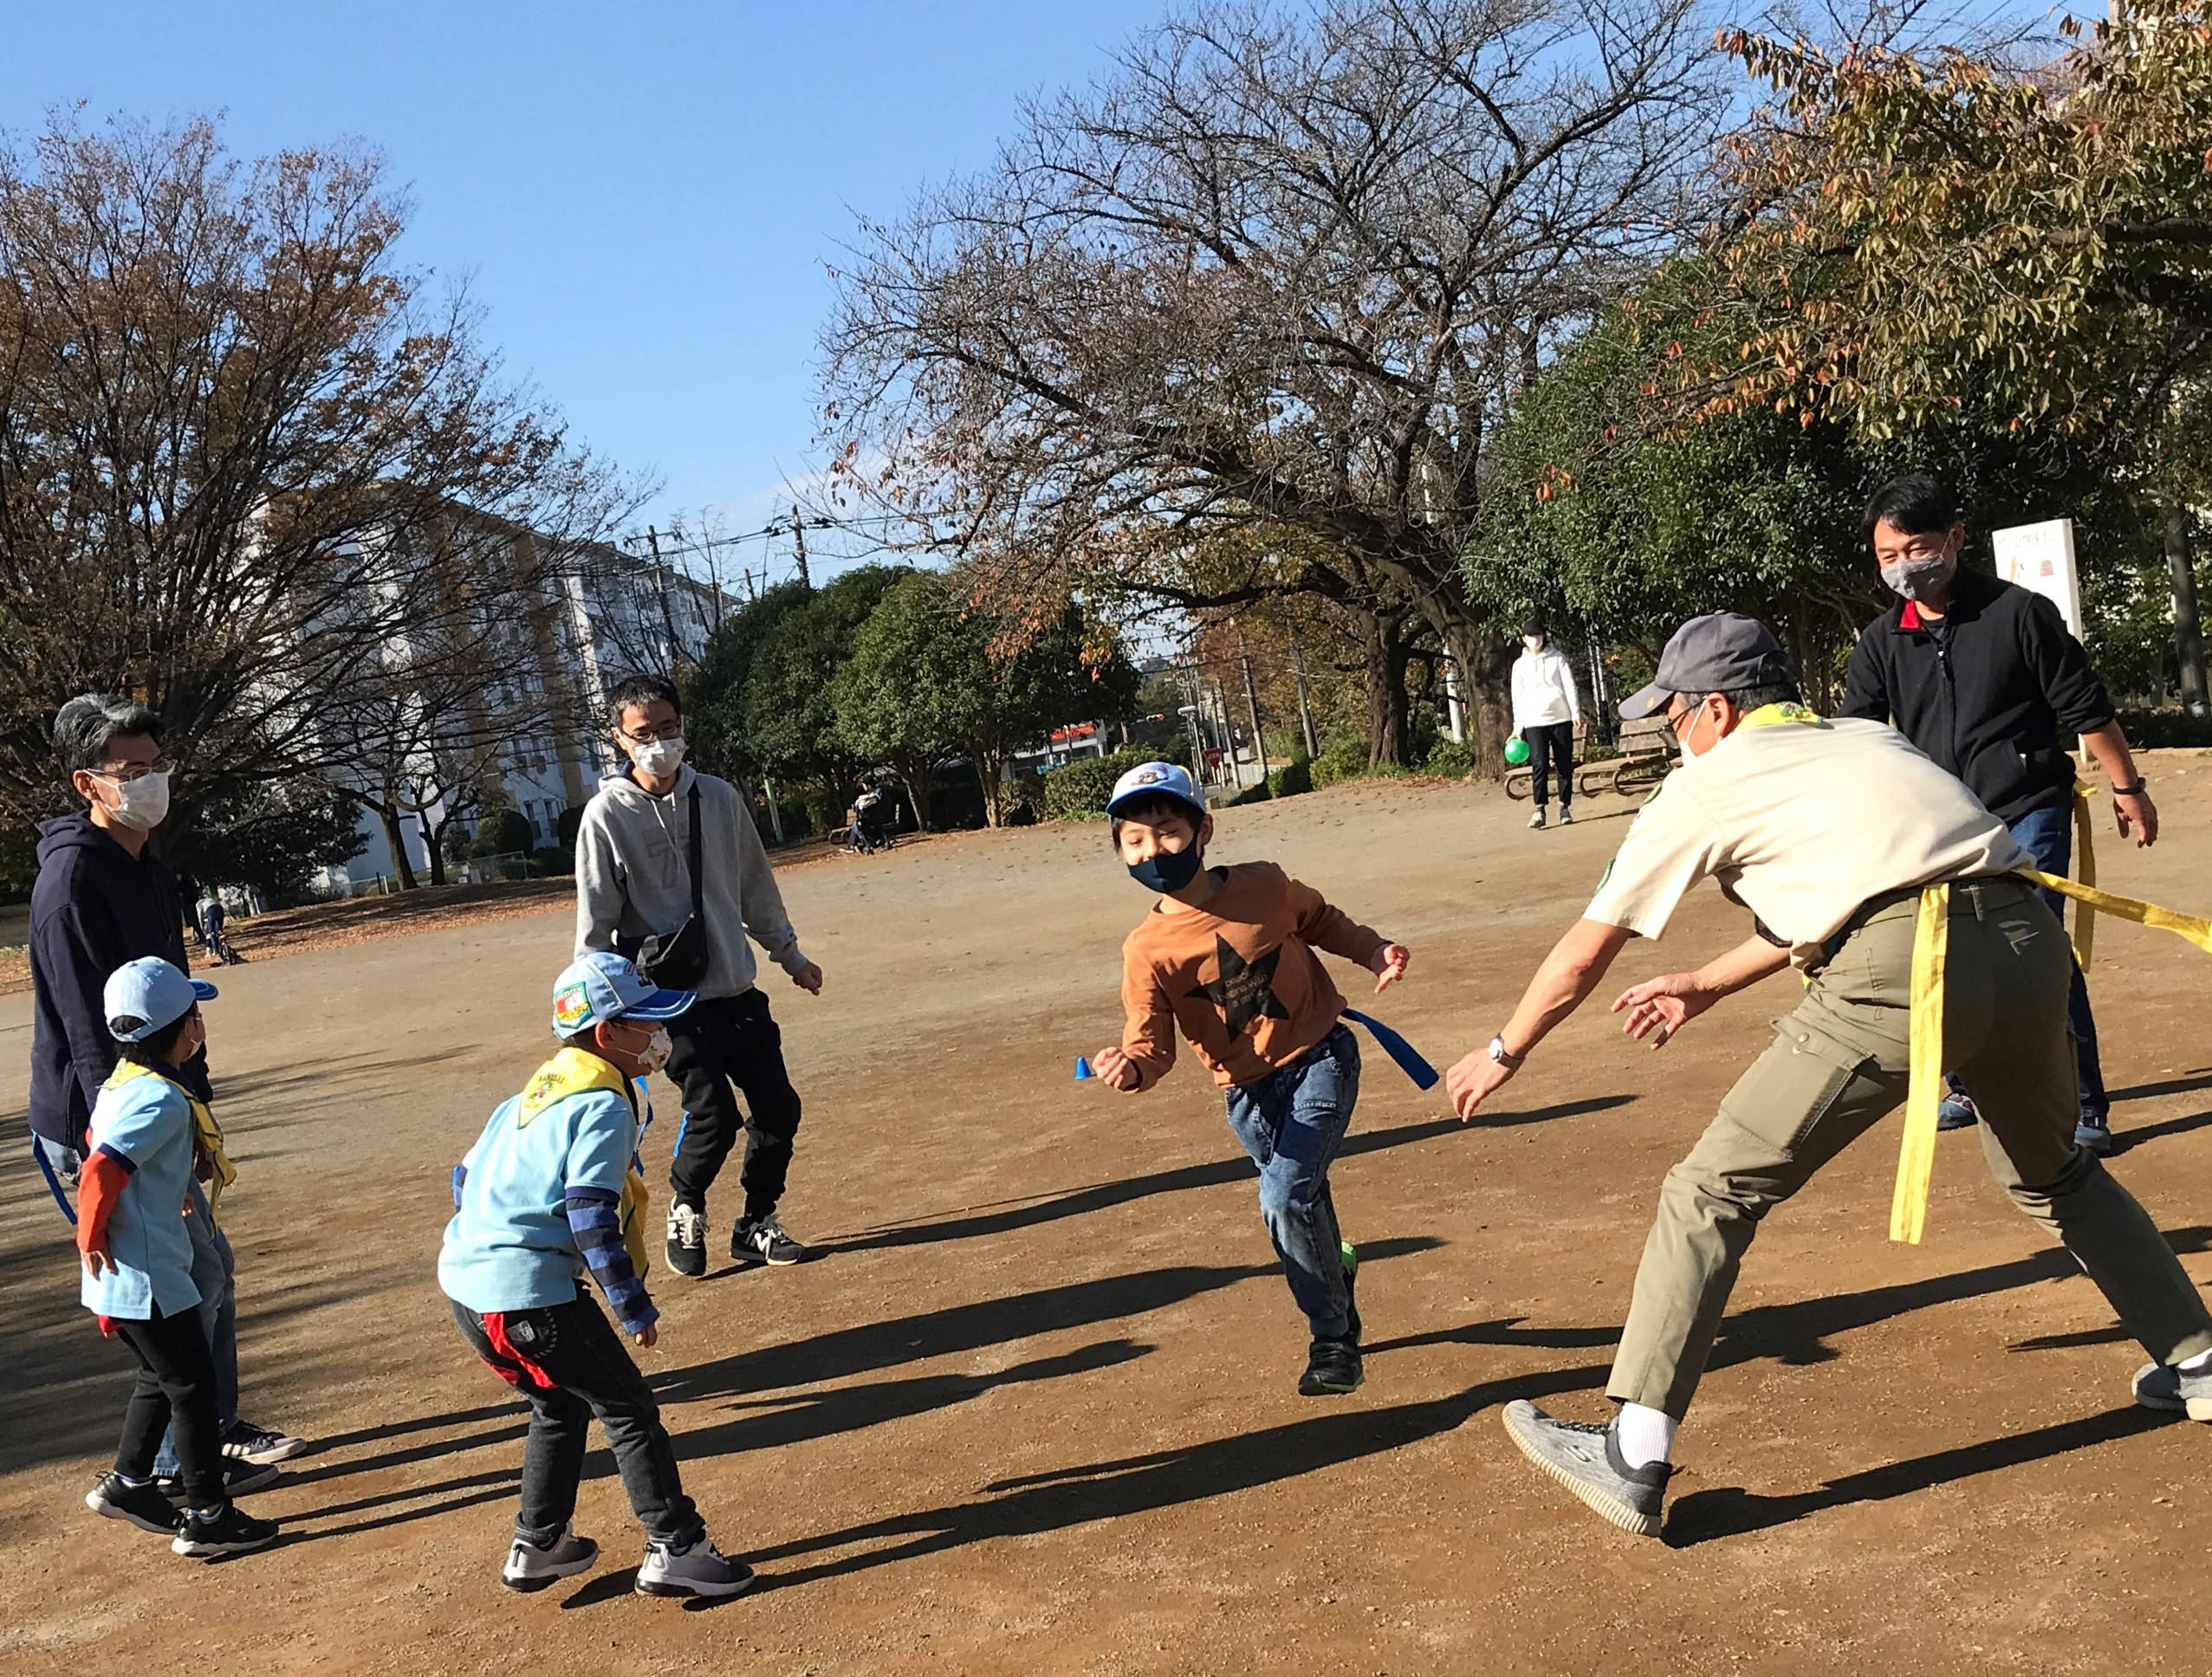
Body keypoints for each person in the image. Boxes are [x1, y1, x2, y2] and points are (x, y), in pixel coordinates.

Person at [1445, 613, 2212, 1538]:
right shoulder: (1865, 737)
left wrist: (1502, 1049)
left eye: (1674, 716)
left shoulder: (1706, 787)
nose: (1670, 735)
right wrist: (1704, 981)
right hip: (2026, 939)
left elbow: (1586, 951)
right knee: (2055, 1171)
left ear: (1717, 709)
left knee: (1710, 1190)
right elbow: (1872, 873)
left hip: (1904, 966)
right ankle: (2200, 1360)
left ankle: (1632, 1450)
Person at [28, 695, 304, 1478]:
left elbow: (175, 1001)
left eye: (157, 766)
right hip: (101, 1121)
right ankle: (165, 1465)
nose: (151, 782)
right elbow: (93, 1037)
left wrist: (197, 1113)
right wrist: (133, 1151)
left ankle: (207, 1432)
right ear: (88, 783)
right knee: (169, 1288)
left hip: (160, 1107)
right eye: (131, 771)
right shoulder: (72, 883)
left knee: (205, 1272)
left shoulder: (148, 864)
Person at [1839, 475, 2150, 1154]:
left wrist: (2128, 789)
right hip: (1936, 829)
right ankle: (1962, 1085)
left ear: (1954, 539)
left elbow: (2085, 710)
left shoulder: (2018, 615)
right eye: (1887, 556)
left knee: (2034, 956)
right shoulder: (1881, 641)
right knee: (1947, 957)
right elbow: (1855, 738)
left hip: (2026, 808)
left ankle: (2081, 1107)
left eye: (1915, 549)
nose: (1902, 567)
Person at [1087, 761, 1412, 1395]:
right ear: (1120, 852)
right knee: (1302, 1201)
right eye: (1135, 840)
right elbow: (1149, 1041)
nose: (1153, 849)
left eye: (1167, 831)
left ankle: (1333, 1341)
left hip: (1321, 1059)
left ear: (1203, 829)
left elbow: (1319, 919)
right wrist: (1130, 1069)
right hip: (1244, 1095)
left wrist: (1373, 949)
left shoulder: (1263, 885)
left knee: (1283, 1197)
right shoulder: (1145, 949)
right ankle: (1333, 1272)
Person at [439, 951, 753, 1598]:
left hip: (469, 1290)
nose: (660, 1038)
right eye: (647, 1024)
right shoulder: (604, 1108)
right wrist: (630, 1305)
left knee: (556, 1404)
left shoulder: (532, 1092)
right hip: (533, 1297)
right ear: (608, 1035)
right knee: (629, 1408)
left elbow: (463, 1177)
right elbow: (589, 1213)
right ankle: (677, 1548)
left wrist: (494, 1240)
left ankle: (540, 1543)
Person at [574, 675, 825, 1279]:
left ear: (683, 727)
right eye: (642, 733)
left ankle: (756, 1222)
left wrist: (789, 956)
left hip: (736, 985)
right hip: (665, 1001)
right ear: (618, 739)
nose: (657, 742)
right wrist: (596, 1015)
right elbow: (594, 926)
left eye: (667, 728)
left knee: (778, 1108)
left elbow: (754, 886)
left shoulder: (718, 797)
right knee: (711, 1109)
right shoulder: (605, 815)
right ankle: (686, 1205)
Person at [78, 957, 281, 1558]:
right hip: (149, 1277)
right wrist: (88, 1236)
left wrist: (160, 1199)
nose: (201, 1024)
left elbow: (104, 1150)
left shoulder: (118, 1083)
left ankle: (130, 1483)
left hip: (123, 1272)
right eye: (196, 1014)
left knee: (159, 1377)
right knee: (194, 1388)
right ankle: (208, 1515)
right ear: (184, 1028)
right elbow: (101, 1171)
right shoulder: (162, 1100)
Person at [1510, 620, 1582, 830]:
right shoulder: (1519, 666)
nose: (1536, 639)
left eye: (1539, 634)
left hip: (1560, 718)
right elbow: (1518, 698)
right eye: (1531, 635)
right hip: (1534, 721)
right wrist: (1518, 729)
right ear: (1523, 638)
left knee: (1563, 763)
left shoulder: (1558, 658)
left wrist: (1575, 712)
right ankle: (1539, 808)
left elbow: (1569, 685)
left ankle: (1564, 806)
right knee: (1539, 764)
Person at [195, 893, 243, 967]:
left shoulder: (198, 904)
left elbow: (200, 917)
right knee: (219, 930)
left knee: (212, 932)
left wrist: (202, 928)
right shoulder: (209, 899)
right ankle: (224, 945)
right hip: (219, 908)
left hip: (210, 911)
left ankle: (216, 950)